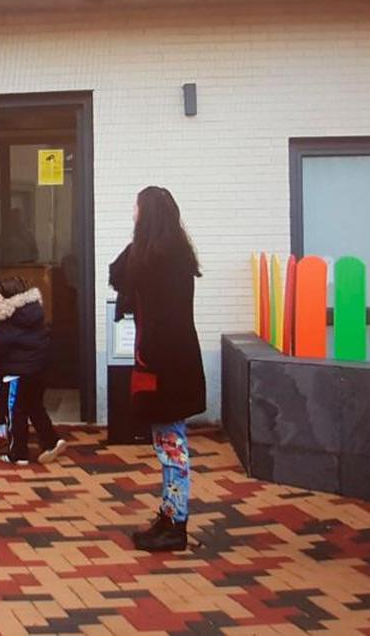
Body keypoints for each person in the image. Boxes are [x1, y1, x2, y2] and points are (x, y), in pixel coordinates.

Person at [109, 186, 205, 553]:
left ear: (146, 214)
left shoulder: (152, 259)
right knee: (170, 444)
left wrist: (136, 242)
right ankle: (169, 515)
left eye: (136, 208)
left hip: (163, 368)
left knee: (172, 446)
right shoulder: (173, 255)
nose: (132, 213)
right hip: (177, 363)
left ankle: (175, 525)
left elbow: (117, 273)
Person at [0, 277, 67, 465]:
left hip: (16, 373)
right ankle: (52, 441)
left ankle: (18, 453)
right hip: (37, 370)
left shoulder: (7, 319)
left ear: (9, 297)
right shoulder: (34, 313)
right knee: (34, 406)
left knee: (16, 412)